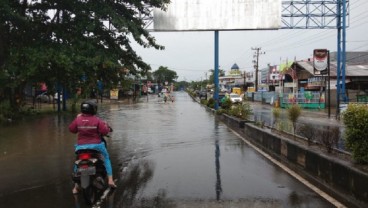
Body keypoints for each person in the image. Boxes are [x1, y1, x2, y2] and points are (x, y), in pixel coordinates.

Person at [69, 100, 116, 194]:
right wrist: (106, 126)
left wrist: (77, 119)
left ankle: (76, 187)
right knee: (106, 158)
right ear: (93, 109)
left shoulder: (78, 119)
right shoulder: (97, 120)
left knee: (77, 163)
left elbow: (72, 129)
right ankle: (110, 180)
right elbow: (105, 132)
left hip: (81, 147)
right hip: (96, 146)